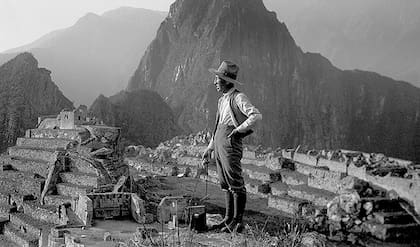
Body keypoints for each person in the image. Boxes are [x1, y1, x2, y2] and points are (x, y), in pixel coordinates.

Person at [203, 61, 262, 233]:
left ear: (226, 81)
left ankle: (237, 221)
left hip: (230, 143)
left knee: (235, 181)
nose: (215, 82)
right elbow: (217, 126)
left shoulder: (238, 98)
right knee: (225, 182)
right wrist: (210, 147)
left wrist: (238, 130)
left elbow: (256, 115)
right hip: (220, 142)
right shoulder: (222, 100)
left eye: (218, 79)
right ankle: (228, 218)